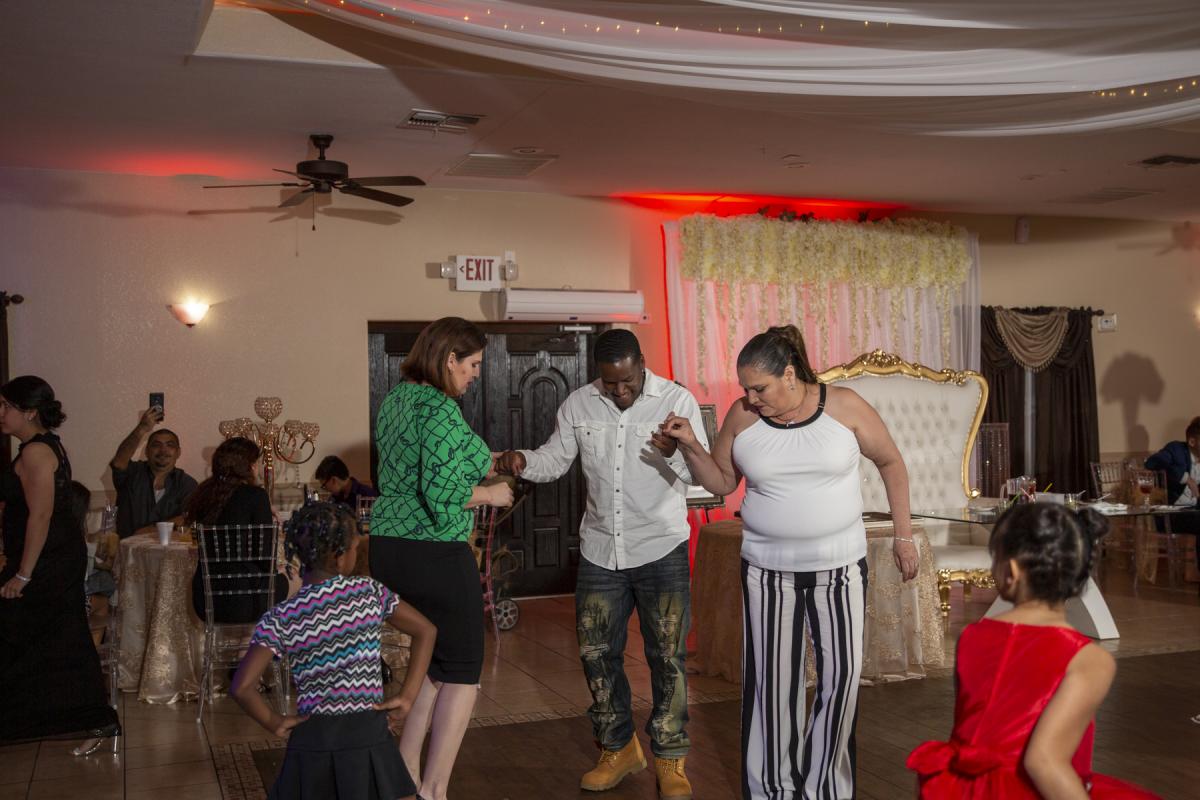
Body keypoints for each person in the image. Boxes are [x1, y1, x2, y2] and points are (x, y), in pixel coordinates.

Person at [662, 325, 917, 800]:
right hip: (766, 572)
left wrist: (903, 536)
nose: (751, 398)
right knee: (773, 687)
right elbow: (721, 482)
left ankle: (825, 789)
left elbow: (891, 463)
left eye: (759, 388)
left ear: (789, 374)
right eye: (745, 389)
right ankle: (772, 791)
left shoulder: (845, 406)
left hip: (840, 570)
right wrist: (691, 446)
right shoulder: (743, 417)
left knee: (840, 682)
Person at [494, 328, 705, 799]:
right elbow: (555, 459)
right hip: (600, 549)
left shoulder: (676, 401)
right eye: (611, 383)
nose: (620, 390)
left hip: (661, 546)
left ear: (642, 364)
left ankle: (670, 757)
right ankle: (618, 748)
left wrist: (676, 453)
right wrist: (523, 460)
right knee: (596, 653)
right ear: (599, 375)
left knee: (666, 656)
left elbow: (699, 474)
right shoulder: (579, 404)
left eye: (627, 381)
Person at [907, 503, 1160, 799]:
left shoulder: (971, 636)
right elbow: (1044, 761)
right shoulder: (1088, 659)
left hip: (959, 786)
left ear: (1011, 571)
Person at [369, 316, 513, 800]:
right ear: (450, 359)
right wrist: (492, 496)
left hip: (389, 548)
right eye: (473, 365)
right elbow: (443, 492)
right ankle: (434, 790)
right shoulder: (440, 409)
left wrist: (493, 461)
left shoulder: (397, 398)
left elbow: (435, 464)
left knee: (433, 662)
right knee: (464, 670)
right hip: (433, 551)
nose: (475, 374)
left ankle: (406, 775)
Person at [232, 501, 436, 800]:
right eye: (354, 548)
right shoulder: (370, 593)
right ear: (341, 557)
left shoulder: (281, 616)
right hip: (367, 733)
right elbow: (426, 631)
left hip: (313, 739)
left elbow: (242, 687)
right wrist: (407, 697)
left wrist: (274, 721)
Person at [0, 376, 120, 751]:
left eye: (6, 406)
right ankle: (90, 720)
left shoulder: (36, 451)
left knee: (37, 635)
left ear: (29, 412)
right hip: (53, 557)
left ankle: (89, 719)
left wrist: (23, 575)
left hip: (46, 561)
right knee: (57, 638)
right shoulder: (43, 446)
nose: (0, 413)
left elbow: (41, 516)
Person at [186, 437, 288, 624]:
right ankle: (268, 642)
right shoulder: (255, 496)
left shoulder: (204, 494)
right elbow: (265, 558)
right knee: (294, 578)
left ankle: (247, 641)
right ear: (250, 466)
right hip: (247, 599)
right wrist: (279, 570)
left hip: (206, 599)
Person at [110, 406, 198, 539]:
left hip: (169, 550)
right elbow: (118, 462)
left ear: (178, 452)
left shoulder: (187, 483)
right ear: (146, 451)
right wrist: (142, 428)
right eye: (156, 445)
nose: (163, 450)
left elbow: (189, 517)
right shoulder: (133, 473)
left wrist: (152, 530)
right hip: (128, 550)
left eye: (170, 445)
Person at [1144, 417, 1200, 550]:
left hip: (1194, 510)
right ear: (1192, 441)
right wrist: (1186, 478)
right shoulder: (1176, 450)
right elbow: (1152, 462)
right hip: (1172, 513)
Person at [314, 455, 379, 510]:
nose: (326, 489)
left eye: (324, 486)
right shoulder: (334, 498)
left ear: (333, 480)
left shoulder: (367, 495)